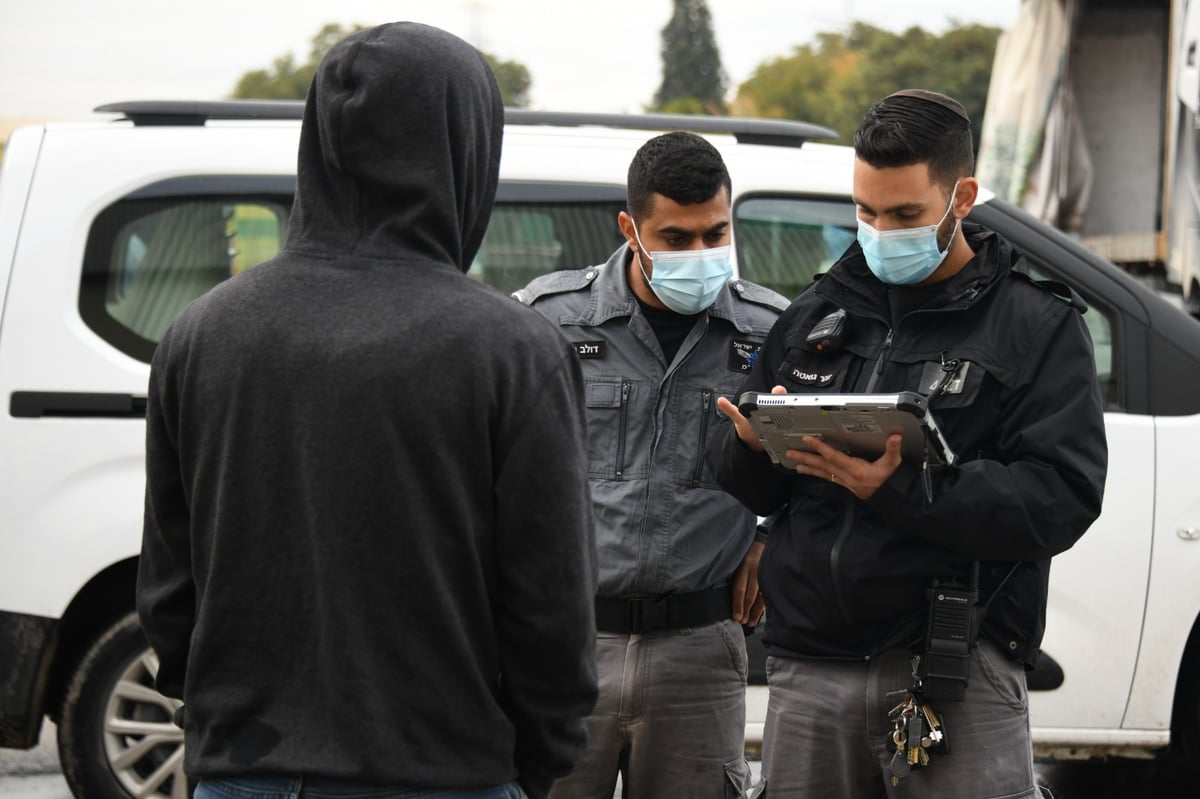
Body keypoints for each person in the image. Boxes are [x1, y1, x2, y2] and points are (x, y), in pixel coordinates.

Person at [136, 22, 598, 799]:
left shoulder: (199, 333)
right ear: (468, 145)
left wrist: (227, 721)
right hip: (444, 770)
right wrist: (536, 759)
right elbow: (550, 606)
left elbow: (166, 587)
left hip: (241, 767)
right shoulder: (512, 349)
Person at [712, 89, 1108, 798]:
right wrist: (749, 448)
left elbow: (1062, 496)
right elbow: (772, 493)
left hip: (953, 669)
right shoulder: (816, 313)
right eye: (865, 212)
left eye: (904, 215)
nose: (879, 231)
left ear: (964, 197)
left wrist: (905, 489)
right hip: (810, 669)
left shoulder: (1035, 327)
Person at [514, 131, 788, 798]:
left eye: (714, 233)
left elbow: (804, 461)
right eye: (676, 238)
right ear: (629, 229)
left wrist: (769, 532)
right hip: (568, 645)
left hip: (699, 646)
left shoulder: (768, 331)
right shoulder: (550, 322)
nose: (699, 254)